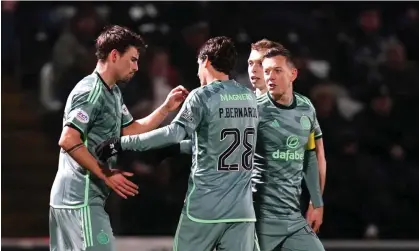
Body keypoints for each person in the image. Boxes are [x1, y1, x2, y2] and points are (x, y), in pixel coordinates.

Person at [96, 36, 259, 251]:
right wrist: (177, 148)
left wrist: (121, 143)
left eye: (198, 65)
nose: (198, 72)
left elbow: (174, 132)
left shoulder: (202, 96)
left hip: (206, 206)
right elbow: (220, 145)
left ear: (206, 61)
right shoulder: (249, 97)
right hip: (242, 210)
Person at [49, 25, 188, 251]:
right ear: (114, 55)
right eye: (132, 59)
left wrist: (165, 109)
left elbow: (131, 129)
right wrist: (106, 174)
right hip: (78, 198)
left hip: (82, 198)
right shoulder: (90, 91)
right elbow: (68, 139)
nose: (136, 67)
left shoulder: (112, 92)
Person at [248, 39, 327, 229]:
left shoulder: (303, 108)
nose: (254, 69)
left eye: (261, 64)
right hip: (250, 211)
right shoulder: (244, 108)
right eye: (251, 63)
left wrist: (316, 202)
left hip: (291, 212)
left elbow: (316, 156)